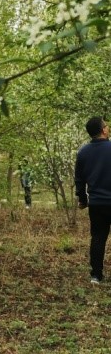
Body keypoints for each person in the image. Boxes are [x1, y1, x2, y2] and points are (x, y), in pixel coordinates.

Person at [75, 117, 111, 284]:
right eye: (106, 125)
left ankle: (96, 275)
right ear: (103, 130)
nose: (108, 127)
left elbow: (79, 180)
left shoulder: (83, 152)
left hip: (96, 203)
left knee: (97, 238)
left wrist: (83, 200)